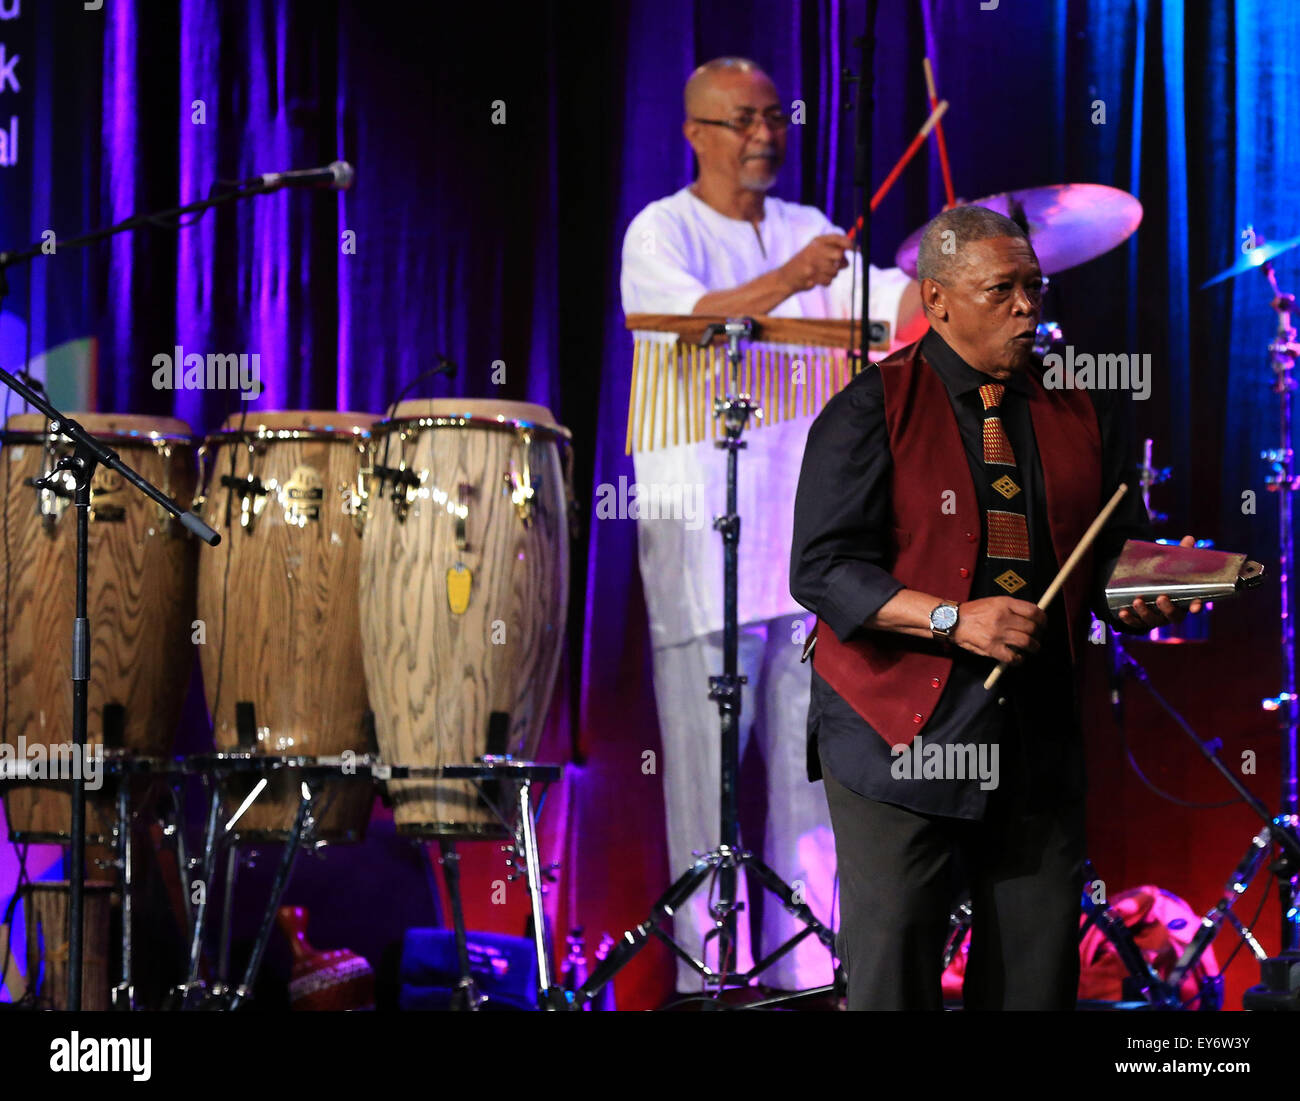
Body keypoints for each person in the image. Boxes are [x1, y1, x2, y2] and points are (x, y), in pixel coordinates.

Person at [790, 203, 1200, 1009]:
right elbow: (823, 569)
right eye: (1002, 289)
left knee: (1033, 979)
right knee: (896, 970)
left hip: (1034, 729)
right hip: (898, 729)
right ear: (937, 301)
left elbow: (1112, 547)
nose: (1027, 307)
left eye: (1034, 288)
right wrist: (953, 616)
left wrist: (1144, 591)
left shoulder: (1077, 403)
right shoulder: (872, 407)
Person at [619, 56, 922, 993]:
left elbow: (901, 310)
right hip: (697, 540)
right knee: (704, 786)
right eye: (742, 119)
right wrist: (793, 277)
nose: (764, 134)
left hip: (804, 549)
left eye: (772, 118)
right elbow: (684, 319)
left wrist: (959, 275)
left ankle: (813, 978)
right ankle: (709, 982)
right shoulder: (661, 230)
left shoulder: (813, 232)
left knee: (813, 786)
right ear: (697, 133)